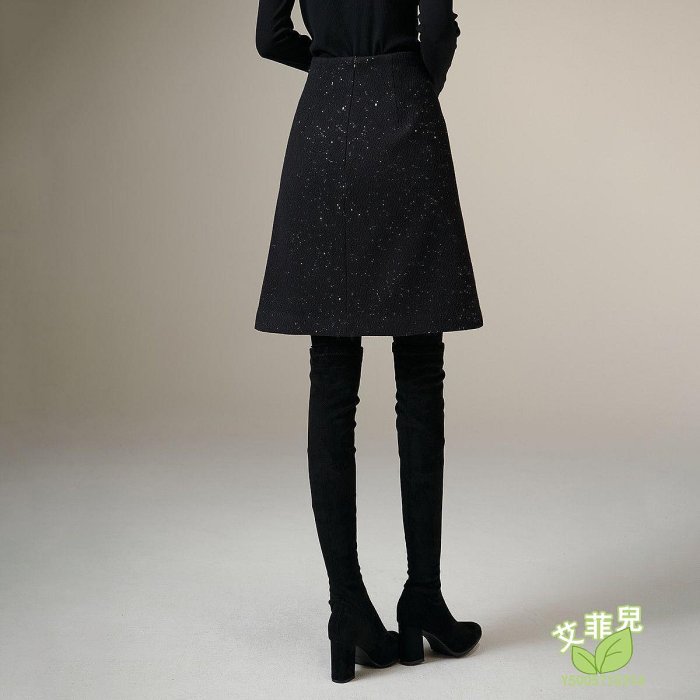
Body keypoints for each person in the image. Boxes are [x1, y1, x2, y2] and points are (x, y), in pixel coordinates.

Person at [254, 0, 483, 683]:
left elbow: (270, 37)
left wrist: (332, 68)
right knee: (420, 370)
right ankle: (423, 598)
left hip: (323, 127)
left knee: (331, 372)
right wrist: (409, 80)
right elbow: (436, 29)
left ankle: (348, 608)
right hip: (405, 123)